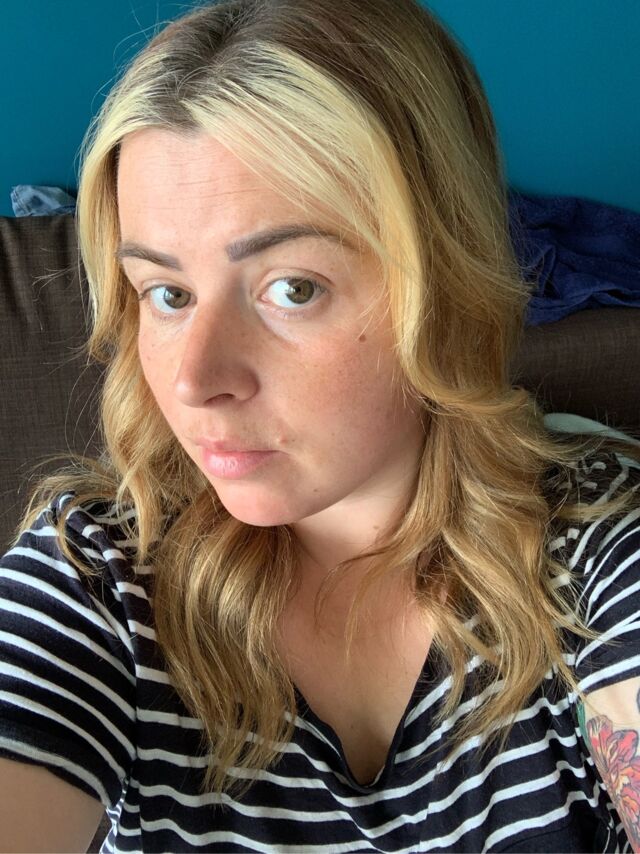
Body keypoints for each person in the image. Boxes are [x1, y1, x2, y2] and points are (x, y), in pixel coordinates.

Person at [1, 0, 640, 850]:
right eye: (168, 294)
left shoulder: (597, 544)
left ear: (445, 283)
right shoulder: (97, 576)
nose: (194, 381)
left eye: (292, 288)